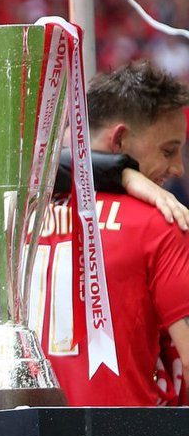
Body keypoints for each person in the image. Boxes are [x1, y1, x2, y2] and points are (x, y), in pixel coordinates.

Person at [32, 61, 189, 405]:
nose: (178, 168)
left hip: (30, 431)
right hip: (129, 433)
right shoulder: (159, 223)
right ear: (118, 139)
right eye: (167, 150)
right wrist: (123, 173)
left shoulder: (20, 215)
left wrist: (121, 174)